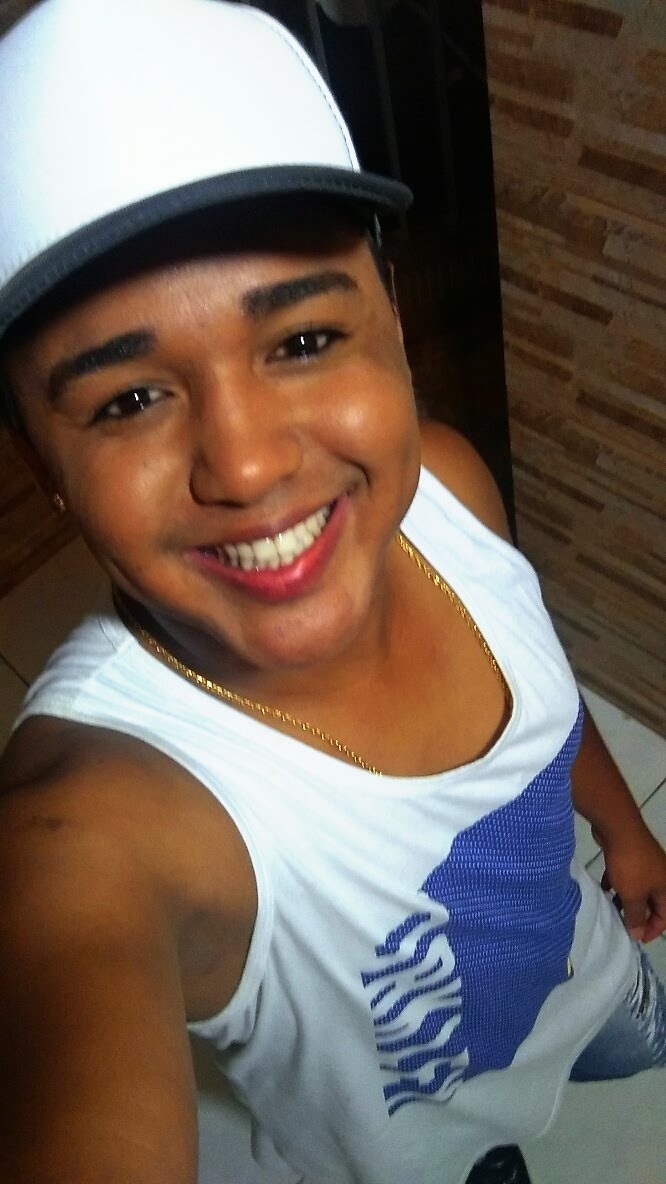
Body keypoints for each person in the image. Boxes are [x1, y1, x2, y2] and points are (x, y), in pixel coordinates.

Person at [0, 2, 664, 1183]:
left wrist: (621, 826)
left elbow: (546, 691)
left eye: (302, 340)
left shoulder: (445, 486)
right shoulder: (93, 825)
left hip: (594, 972)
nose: (249, 465)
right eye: (127, 400)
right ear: (46, 467)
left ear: (390, 321)